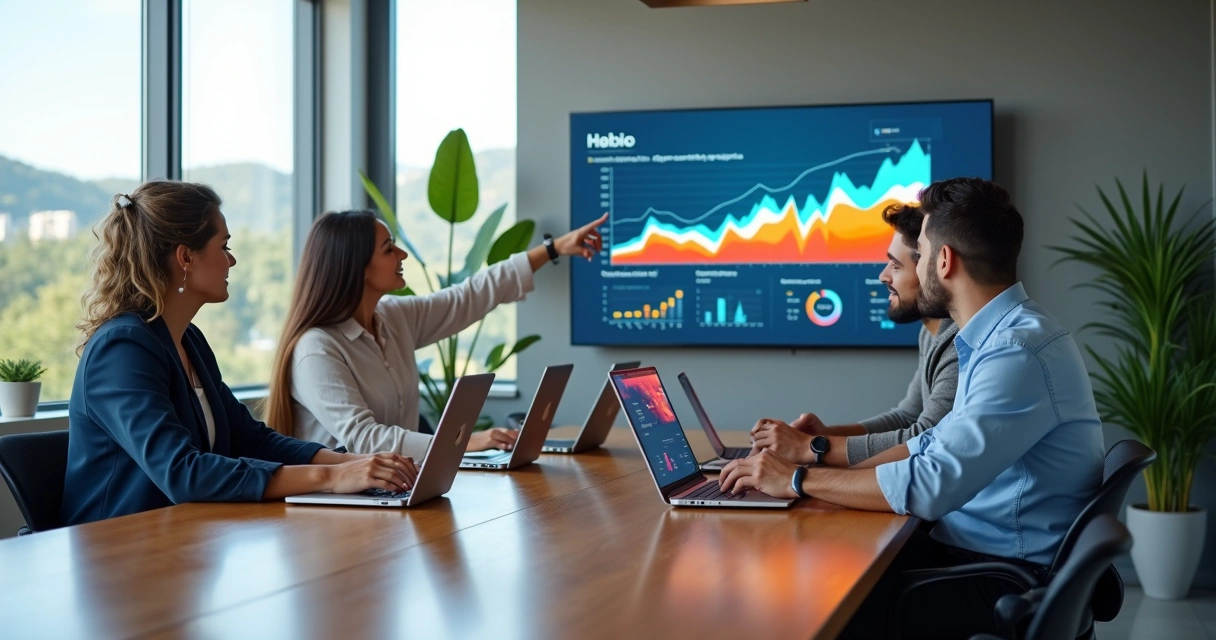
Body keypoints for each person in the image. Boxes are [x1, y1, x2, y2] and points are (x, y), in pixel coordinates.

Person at [718, 177, 1105, 639]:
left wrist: (799, 479)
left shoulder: (1015, 351)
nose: (913, 267)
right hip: (981, 553)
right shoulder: (998, 338)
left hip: (1005, 576)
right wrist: (814, 471)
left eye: (919, 252)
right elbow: (929, 443)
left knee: (820, 597)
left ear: (943, 262)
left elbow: (931, 485)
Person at [62, 181, 418, 527]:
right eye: (224, 246)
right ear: (186, 257)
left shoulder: (189, 341)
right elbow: (183, 473)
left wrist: (358, 463)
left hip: (185, 542)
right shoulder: (122, 349)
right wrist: (332, 477)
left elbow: (252, 438)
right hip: (116, 557)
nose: (231, 260)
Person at [265, 209, 607, 460]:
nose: (402, 255)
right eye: (389, 249)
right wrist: (461, 442)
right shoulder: (316, 348)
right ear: (357, 267)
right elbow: (363, 439)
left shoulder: (392, 317)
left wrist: (553, 249)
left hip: (395, 490)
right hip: (334, 513)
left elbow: (469, 296)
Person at [748, 203, 959, 467]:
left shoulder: (958, 342)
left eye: (895, 265)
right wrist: (823, 435)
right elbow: (907, 417)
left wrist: (811, 447)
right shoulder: (932, 333)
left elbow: (924, 438)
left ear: (931, 268)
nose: (883, 276)